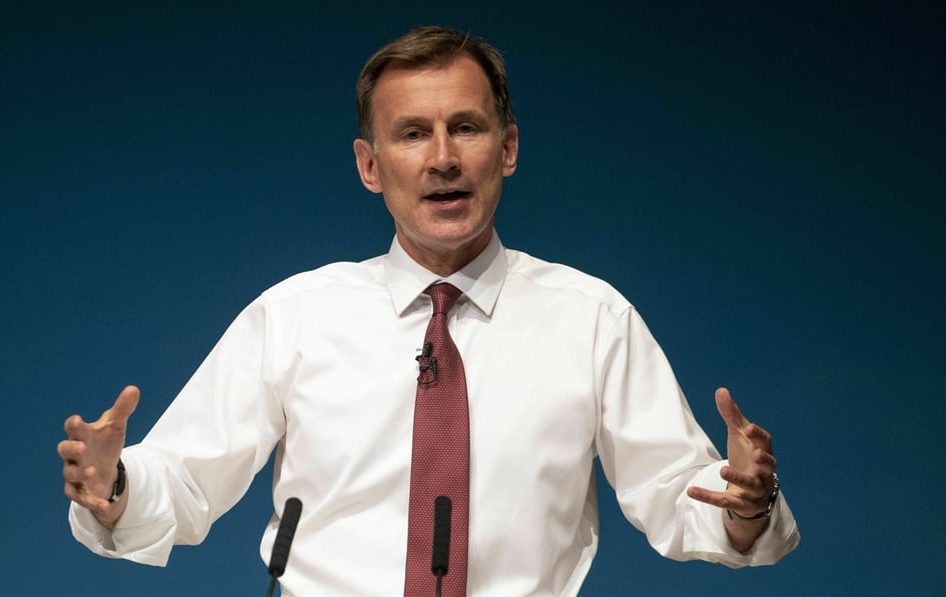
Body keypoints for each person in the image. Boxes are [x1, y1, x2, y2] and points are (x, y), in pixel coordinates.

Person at [59, 26, 799, 596]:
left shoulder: (592, 319)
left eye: (466, 128)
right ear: (370, 165)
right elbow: (183, 481)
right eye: (412, 133)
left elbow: (685, 497)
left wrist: (746, 505)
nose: (442, 156)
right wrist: (114, 485)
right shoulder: (295, 316)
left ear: (507, 148)